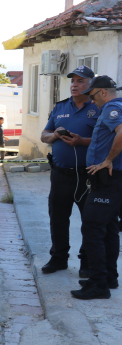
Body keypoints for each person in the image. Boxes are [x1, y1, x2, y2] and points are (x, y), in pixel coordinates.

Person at [40, 66, 97, 276]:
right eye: (73, 81)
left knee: (89, 220)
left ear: (91, 84)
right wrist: (55, 135)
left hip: (88, 175)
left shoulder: (98, 107)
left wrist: (82, 141)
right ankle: (58, 258)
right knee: (58, 218)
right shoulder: (60, 106)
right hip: (60, 174)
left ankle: (87, 262)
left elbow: (106, 140)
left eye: (80, 81)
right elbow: (44, 135)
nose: (74, 85)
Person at [72, 76, 122, 300]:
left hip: (109, 178)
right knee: (108, 227)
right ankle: (108, 277)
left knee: (92, 228)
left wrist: (108, 160)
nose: (92, 101)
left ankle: (98, 284)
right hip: (111, 178)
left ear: (102, 92)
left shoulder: (112, 108)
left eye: (92, 96)